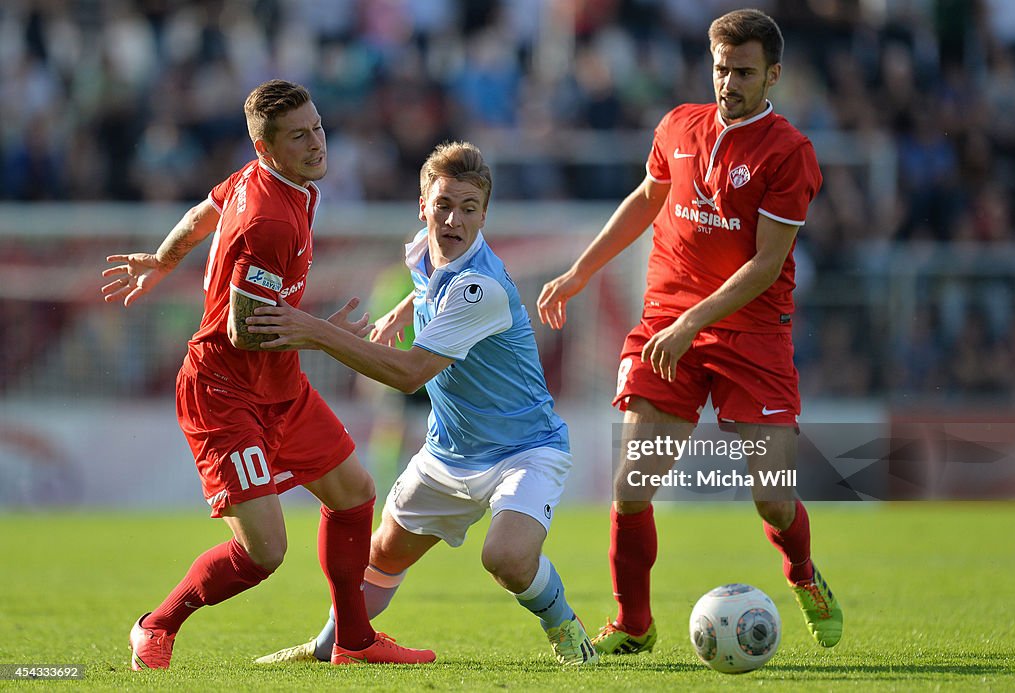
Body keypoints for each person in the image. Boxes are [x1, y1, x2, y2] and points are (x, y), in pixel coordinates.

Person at [536, 8, 843, 654]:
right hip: (665, 324)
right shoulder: (678, 124)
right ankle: (634, 622)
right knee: (631, 483)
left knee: (774, 502)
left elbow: (766, 265)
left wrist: (690, 322)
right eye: (720, 68)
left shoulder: (789, 152)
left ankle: (804, 575)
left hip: (751, 335)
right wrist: (578, 272)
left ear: (773, 76)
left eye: (744, 72)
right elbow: (645, 200)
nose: (728, 83)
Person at [100, 79, 434, 669]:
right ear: (266, 149)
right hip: (224, 394)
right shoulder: (270, 221)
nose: (317, 143)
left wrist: (163, 259)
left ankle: (353, 642)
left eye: (318, 128)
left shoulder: (275, 182)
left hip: (280, 385)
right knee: (264, 553)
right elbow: (242, 330)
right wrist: (322, 332)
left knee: (354, 493)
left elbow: (203, 211)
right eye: (299, 136)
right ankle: (156, 625)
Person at [245, 141, 598, 666]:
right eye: (443, 205)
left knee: (506, 559)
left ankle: (563, 624)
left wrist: (314, 332)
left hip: (524, 450)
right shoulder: (419, 250)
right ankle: (325, 649)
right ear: (423, 206)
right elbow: (426, 282)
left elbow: (410, 374)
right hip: (447, 453)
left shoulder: (482, 288)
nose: (454, 220)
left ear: (485, 214)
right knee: (380, 554)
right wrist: (397, 315)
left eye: (469, 209)